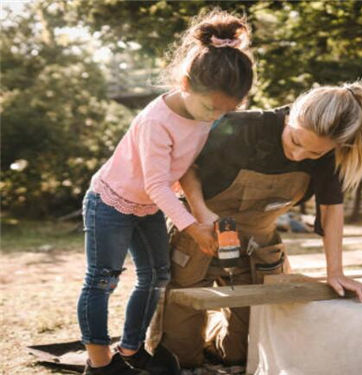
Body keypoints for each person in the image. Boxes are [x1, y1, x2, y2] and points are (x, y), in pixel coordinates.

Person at [147, 81, 362, 369]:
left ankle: (219, 351)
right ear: (291, 115)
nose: (298, 156)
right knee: (177, 352)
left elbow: (331, 209)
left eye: (314, 154)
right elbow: (188, 166)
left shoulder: (329, 154)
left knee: (246, 348)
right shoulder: (242, 127)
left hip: (258, 246)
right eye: (296, 141)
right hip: (201, 234)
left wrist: (336, 271)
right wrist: (201, 213)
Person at [77, 10, 254, 375]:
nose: (214, 117)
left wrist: (202, 215)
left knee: (157, 275)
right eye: (211, 107)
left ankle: (131, 349)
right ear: (186, 83)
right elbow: (157, 184)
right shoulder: (157, 121)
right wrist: (191, 227)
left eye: (226, 111)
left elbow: (187, 168)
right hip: (111, 202)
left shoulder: (206, 113)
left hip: (149, 206)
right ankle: (99, 364)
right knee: (103, 278)